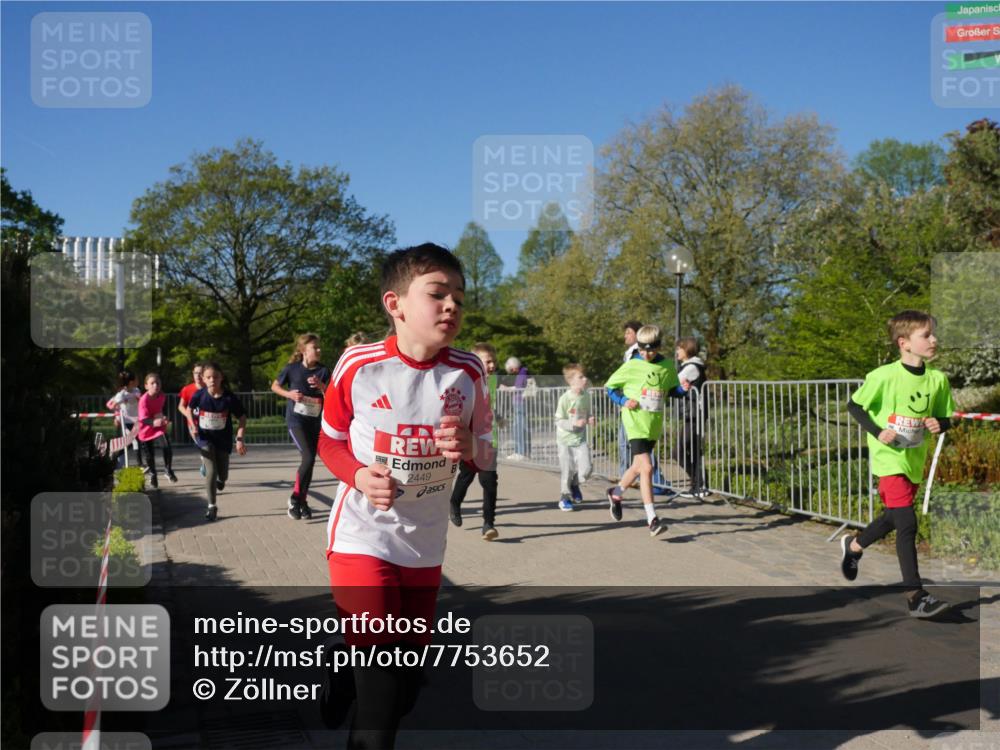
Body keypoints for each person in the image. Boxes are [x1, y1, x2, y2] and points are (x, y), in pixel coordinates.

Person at [316, 243, 493, 747]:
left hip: (425, 544)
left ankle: (340, 669)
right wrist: (357, 476)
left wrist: (472, 447)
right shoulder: (358, 365)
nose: (452, 305)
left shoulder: (470, 372)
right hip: (362, 538)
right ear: (395, 304)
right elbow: (329, 440)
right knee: (383, 694)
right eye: (438, 293)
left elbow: (489, 454)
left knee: (407, 685)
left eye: (460, 295)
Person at [839, 311, 956, 619]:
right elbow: (854, 404)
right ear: (904, 343)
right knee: (907, 523)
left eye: (933, 334)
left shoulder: (938, 379)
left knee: (893, 517)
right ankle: (916, 596)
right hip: (889, 459)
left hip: (914, 459)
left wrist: (939, 423)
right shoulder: (884, 376)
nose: (934, 340)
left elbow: (947, 417)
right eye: (926, 335)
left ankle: (854, 545)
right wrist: (879, 431)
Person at [604, 325, 679, 537]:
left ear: (658, 346)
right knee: (647, 467)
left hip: (653, 424)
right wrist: (624, 400)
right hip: (634, 421)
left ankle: (616, 493)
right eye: (643, 350)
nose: (647, 354)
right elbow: (609, 387)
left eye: (651, 350)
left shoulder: (667, 366)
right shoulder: (631, 365)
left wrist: (685, 388)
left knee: (637, 467)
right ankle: (652, 519)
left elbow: (673, 390)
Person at [271, 333, 331, 521]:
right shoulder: (292, 369)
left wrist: (322, 386)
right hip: (296, 421)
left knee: (310, 460)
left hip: (314, 421)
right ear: (304, 350)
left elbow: (332, 396)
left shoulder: (324, 371)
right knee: (308, 456)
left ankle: (301, 501)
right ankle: (296, 498)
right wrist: (289, 394)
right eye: (315, 347)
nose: (319, 350)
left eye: (319, 347)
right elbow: (274, 386)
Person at [449, 342, 501, 539]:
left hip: (487, 440)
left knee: (489, 481)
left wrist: (498, 417)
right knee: (466, 476)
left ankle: (488, 524)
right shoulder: (466, 382)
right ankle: (454, 502)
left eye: (493, 361)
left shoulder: (492, 382)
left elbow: (488, 406)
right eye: (488, 362)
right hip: (469, 439)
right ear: (475, 362)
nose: (492, 366)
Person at [186, 362, 248, 521]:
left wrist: (239, 438)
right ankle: (212, 506)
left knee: (223, 474)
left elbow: (242, 418)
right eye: (208, 377)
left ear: (221, 378)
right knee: (211, 471)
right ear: (203, 379)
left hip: (223, 439)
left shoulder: (228, 397)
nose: (212, 380)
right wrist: (193, 425)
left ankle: (221, 480)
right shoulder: (199, 395)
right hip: (204, 438)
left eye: (215, 377)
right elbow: (188, 409)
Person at [670, 337, 707, 497]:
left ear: (688, 349)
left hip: (694, 414)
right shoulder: (689, 366)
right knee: (692, 450)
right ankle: (698, 485)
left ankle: (699, 484)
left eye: (680, 348)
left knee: (678, 451)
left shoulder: (692, 367)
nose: (677, 351)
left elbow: (672, 382)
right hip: (691, 414)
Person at [554, 363, 594, 511]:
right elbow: (558, 420)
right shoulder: (565, 398)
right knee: (567, 470)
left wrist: (590, 418)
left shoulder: (586, 396)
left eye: (585, 376)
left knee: (587, 469)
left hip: (580, 439)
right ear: (571, 381)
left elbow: (587, 413)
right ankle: (565, 497)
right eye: (581, 377)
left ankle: (575, 484)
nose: (585, 379)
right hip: (565, 441)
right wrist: (573, 423)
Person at [137, 372, 176, 488]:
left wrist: (164, 417)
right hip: (145, 429)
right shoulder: (143, 400)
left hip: (158, 428)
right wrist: (154, 422)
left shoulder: (162, 396)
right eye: (152, 383)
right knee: (149, 455)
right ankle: (153, 474)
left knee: (166, 446)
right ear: (146, 386)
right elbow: (143, 419)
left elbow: (159, 410)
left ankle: (168, 470)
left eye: (157, 383)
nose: (155, 385)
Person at [616, 321, 642, 479]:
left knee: (633, 443)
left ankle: (632, 475)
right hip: (627, 401)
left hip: (634, 402)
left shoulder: (639, 353)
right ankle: (626, 474)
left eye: (628, 332)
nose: (625, 335)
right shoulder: (629, 353)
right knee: (623, 441)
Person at [107, 370, 144, 470]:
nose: (138, 380)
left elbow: (141, 403)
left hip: (136, 422)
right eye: (136, 379)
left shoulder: (137, 391)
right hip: (126, 422)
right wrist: (117, 416)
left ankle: (114, 457)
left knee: (130, 444)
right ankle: (140, 465)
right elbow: (111, 405)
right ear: (131, 382)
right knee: (135, 441)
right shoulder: (121, 394)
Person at [178, 362, 207, 477]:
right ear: (193, 374)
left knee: (209, 447)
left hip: (208, 423)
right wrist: (188, 415)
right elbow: (181, 406)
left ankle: (207, 464)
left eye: (201, 373)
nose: (198, 376)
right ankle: (206, 464)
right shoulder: (187, 389)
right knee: (203, 446)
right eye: (196, 373)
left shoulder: (209, 388)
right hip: (193, 424)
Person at [501, 356, 531, 460]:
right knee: (520, 428)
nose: (511, 372)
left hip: (520, 403)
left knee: (519, 428)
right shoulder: (524, 372)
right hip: (520, 403)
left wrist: (506, 388)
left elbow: (518, 388)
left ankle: (520, 452)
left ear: (514, 367)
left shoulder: (522, 373)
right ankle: (522, 452)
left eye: (511, 370)